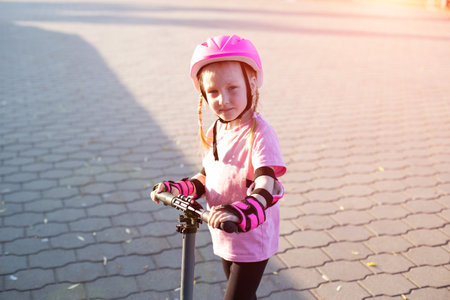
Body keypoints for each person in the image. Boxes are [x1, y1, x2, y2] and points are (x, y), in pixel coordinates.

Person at [151, 34, 286, 300]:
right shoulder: (216, 129)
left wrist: (241, 212)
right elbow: (207, 176)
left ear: (252, 83)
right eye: (212, 92)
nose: (222, 99)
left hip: (251, 235)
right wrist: (179, 188)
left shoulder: (260, 134)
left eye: (232, 88)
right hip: (224, 231)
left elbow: (267, 185)